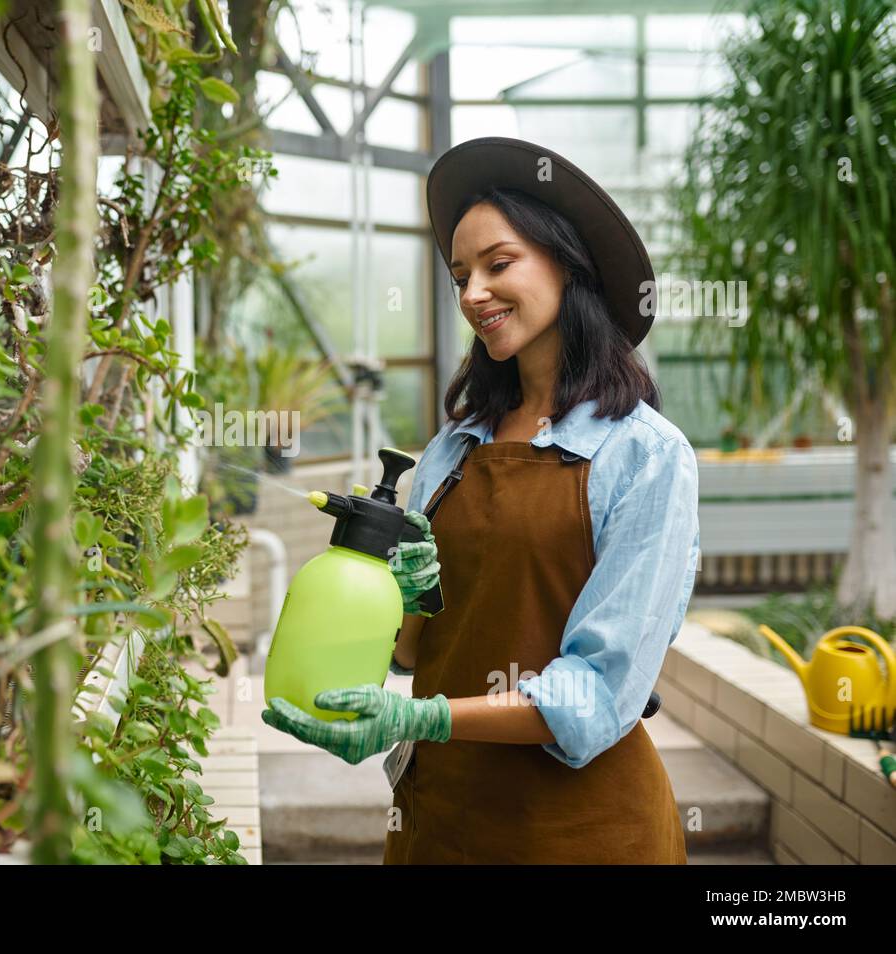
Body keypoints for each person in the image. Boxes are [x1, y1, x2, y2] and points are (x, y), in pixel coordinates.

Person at [261, 137, 700, 864]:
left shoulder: (646, 457)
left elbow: (597, 692)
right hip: (439, 823)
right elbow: (411, 652)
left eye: (499, 265)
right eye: (460, 274)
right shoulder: (454, 448)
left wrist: (420, 716)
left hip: (581, 832)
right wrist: (405, 605)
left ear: (568, 262)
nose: (472, 294)